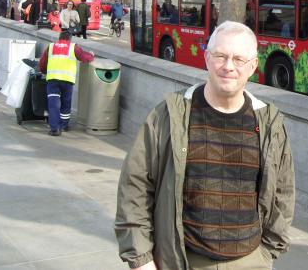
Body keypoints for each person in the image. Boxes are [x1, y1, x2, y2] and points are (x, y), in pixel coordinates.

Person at [115, 21, 295, 270]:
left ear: (253, 66)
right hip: (183, 260)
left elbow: (283, 193)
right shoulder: (170, 114)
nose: (228, 66)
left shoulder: (269, 124)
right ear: (207, 58)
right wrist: (141, 259)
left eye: (239, 59)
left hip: (250, 261)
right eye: (220, 56)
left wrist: (267, 252)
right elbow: (135, 184)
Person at [38, 30, 95, 136]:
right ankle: (63, 126)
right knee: (66, 103)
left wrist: (43, 71)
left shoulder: (51, 47)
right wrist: (91, 55)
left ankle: (54, 129)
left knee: (53, 104)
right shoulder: (73, 47)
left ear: (59, 38)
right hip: (67, 80)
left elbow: (42, 62)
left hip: (53, 80)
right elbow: (84, 57)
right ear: (69, 39)